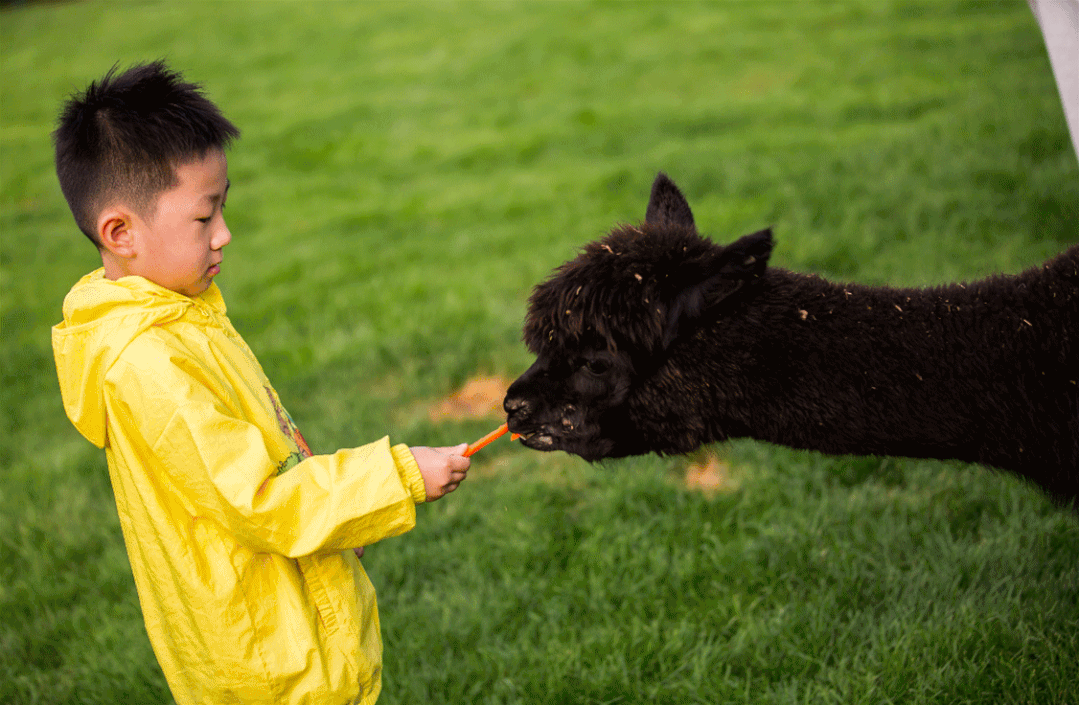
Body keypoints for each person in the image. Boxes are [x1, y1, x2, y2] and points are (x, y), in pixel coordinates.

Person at [50, 61, 471, 705]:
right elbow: (257, 500)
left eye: (224, 207)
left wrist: (342, 523)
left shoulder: (179, 312)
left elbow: (257, 447)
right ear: (120, 233)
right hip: (263, 657)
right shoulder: (148, 362)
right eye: (203, 217)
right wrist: (397, 476)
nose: (224, 234)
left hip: (275, 608)